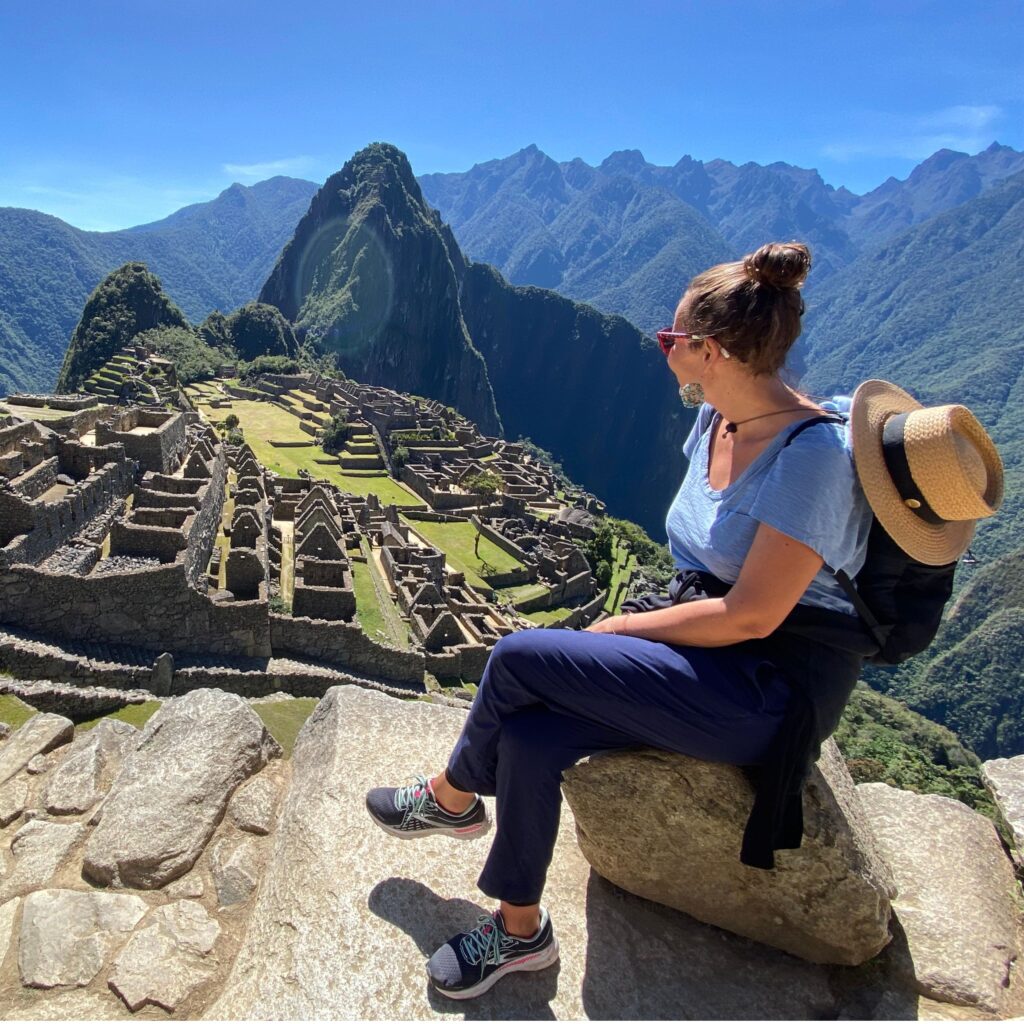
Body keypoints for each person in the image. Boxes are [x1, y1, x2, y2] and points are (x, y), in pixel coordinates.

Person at [362, 241, 988, 1001]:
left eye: (669, 340)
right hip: (700, 655)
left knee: (521, 658)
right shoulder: (715, 422)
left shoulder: (811, 458)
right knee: (531, 732)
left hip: (766, 686)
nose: (660, 349)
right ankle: (520, 931)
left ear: (710, 351)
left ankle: (453, 797)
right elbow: (707, 577)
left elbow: (754, 614)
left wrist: (619, 632)